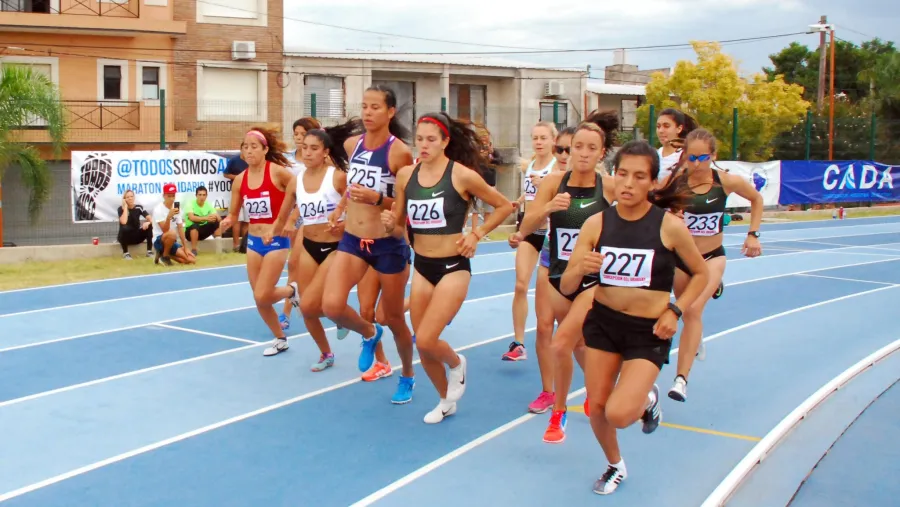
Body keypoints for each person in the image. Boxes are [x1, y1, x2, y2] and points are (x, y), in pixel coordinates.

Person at [559, 140, 709, 495]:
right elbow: (567, 286)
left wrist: (676, 310)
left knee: (620, 414)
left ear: (653, 183)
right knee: (596, 405)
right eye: (622, 174)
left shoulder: (669, 226)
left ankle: (647, 400)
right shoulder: (596, 224)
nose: (627, 183)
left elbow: (701, 275)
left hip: (649, 329)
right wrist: (581, 266)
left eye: (639, 176)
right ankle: (615, 465)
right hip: (604, 323)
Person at [382, 112, 513, 423]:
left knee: (427, 338)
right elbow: (399, 224)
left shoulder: (461, 175)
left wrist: (477, 233)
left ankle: (457, 364)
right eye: (420, 139)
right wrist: (390, 223)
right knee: (424, 348)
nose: (424, 145)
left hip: (454, 265)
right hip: (423, 265)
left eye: (431, 139)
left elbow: (505, 205)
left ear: (444, 142)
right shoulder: (405, 176)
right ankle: (445, 400)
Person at [515, 111, 620, 439]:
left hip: (590, 278)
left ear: (601, 153)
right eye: (577, 147)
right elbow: (526, 226)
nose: (584, 153)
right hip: (555, 270)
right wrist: (548, 209)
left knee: (568, 342)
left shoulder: (609, 187)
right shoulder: (552, 183)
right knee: (564, 339)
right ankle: (585, 391)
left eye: (592, 148)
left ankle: (560, 411)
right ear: (569, 149)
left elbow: (639, 216)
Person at [322, 84, 418, 405]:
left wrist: (379, 198)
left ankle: (407, 374)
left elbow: (407, 204)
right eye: (364, 106)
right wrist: (340, 210)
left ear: (390, 112)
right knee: (333, 306)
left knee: (393, 318)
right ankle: (368, 333)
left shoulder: (399, 152)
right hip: (352, 240)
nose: (367, 112)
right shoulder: (352, 145)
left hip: (387, 245)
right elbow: (353, 189)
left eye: (375, 107)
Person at [665, 128, 763, 402]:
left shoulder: (726, 182)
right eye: (691, 157)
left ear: (714, 156)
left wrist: (753, 234)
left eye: (702, 158)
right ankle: (696, 337)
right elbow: (654, 204)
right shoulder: (675, 183)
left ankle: (681, 380)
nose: (696, 164)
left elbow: (756, 199)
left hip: (712, 257)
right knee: (686, 312)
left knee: (692, 309)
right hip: (682, 261)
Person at [269, 119, 362, 371]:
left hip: (336, 248)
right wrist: (273, 231)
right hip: (310, 244)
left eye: (313, 148)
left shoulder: (338, 177)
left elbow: (358, 205)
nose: (307, 152)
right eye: (304, 148)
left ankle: (363, 328)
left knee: (311, 303)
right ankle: (326, 353)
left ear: (326, 152)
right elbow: (283, 214)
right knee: (308, 310)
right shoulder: (295, 181)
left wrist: (345, 224)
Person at [220, 127, 301, 357]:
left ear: (265, 149)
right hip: (254, 241)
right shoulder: (240, 180)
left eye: (254, 146)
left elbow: (301, 192)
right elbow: (234, 214)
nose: (249, 151)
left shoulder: (278, 173)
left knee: (262, 294)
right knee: (260, 299)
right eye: (245, 147)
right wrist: (228, 220)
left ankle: (291, 290)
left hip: (276, 240)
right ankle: (280, 338)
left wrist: (290, 219)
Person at [503, 121, 562, 363]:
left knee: (555, 293)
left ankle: (564, 335)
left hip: (551, 233)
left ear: (553, 140)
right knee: (520, 286)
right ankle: (518, 344)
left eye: (543, 138)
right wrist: (518, 201)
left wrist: (546, 186)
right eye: (535, 138)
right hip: (528, 230)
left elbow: (561, 194)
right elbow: (530, 192)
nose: (538, 142)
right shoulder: (530, 165)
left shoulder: (557, 165)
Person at [152, 184, 195, 266]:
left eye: (173, 196)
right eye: (169, 196)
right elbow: (164, 230)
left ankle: (164, 255)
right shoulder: (158, 209)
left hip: (172, 241)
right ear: (164, 196)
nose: (172, 198)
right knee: (172, 233)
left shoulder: (177, 208)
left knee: (191, 260)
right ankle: (164, 256)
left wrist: (185, 247)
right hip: (159, 239)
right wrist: (169, 217)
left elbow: (180, 227)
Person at [183, 186, 221, 256]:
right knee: (195, 225)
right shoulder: (190, 204)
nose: (202, 197)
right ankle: (194, 250)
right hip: (189, 233)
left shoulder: (208, 204)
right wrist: (206, 218)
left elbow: (218, 217)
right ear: (196, 195)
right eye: (200, 195)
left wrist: (215, 217)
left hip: (202, 231)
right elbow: (191, 218)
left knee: (216, 222)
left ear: (206, 196)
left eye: (204, 195)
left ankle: (219, 248)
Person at [117, 189, 153, 260]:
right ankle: (126, 253)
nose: (130, 198)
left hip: (136, 236)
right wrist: (126, 208)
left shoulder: (139, 207)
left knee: (149, 225)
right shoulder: (121, 209)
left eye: (131, 196)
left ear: (134, 197)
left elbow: (150, 219)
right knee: (124, 228)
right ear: (124, 199)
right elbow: (123, 221)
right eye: (127, 197)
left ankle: (149, 252)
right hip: (125, 238)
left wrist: (148, 222)